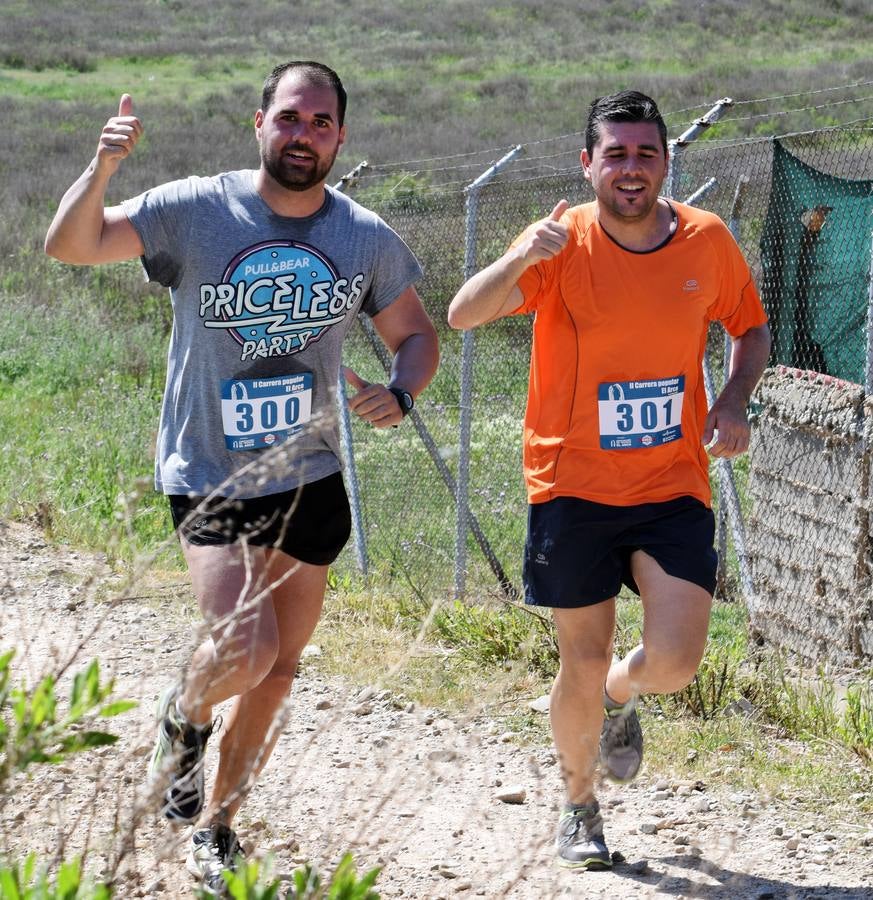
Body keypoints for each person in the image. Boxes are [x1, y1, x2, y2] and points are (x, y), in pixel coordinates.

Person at [45, 61, 438, 894]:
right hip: (210, 468)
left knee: (282, 670)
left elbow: (414, 332)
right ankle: (182, 720)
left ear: (340, 136)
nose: (304, 135)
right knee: (244, 649)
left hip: (310, 472)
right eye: (290, 118)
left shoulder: (361, 234)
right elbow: (71, 246)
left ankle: (216, 829)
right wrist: (102, 167)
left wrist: (400, 392)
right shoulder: (195, 209)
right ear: (258, 122)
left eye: (321, 123)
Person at [447, 90, 770, 870]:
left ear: (665, 163)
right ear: (586, 164)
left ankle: (622, 700)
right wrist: (524, 255)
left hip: (671, 481)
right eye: (615, 154)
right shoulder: (558, 243)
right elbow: (462, 314)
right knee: (580, 662)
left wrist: (730, 400)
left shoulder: (705, 239)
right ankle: (578, 808)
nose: (631, 168)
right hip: (572, 484)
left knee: (674, 662)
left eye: (645, 154)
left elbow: (749, 326)